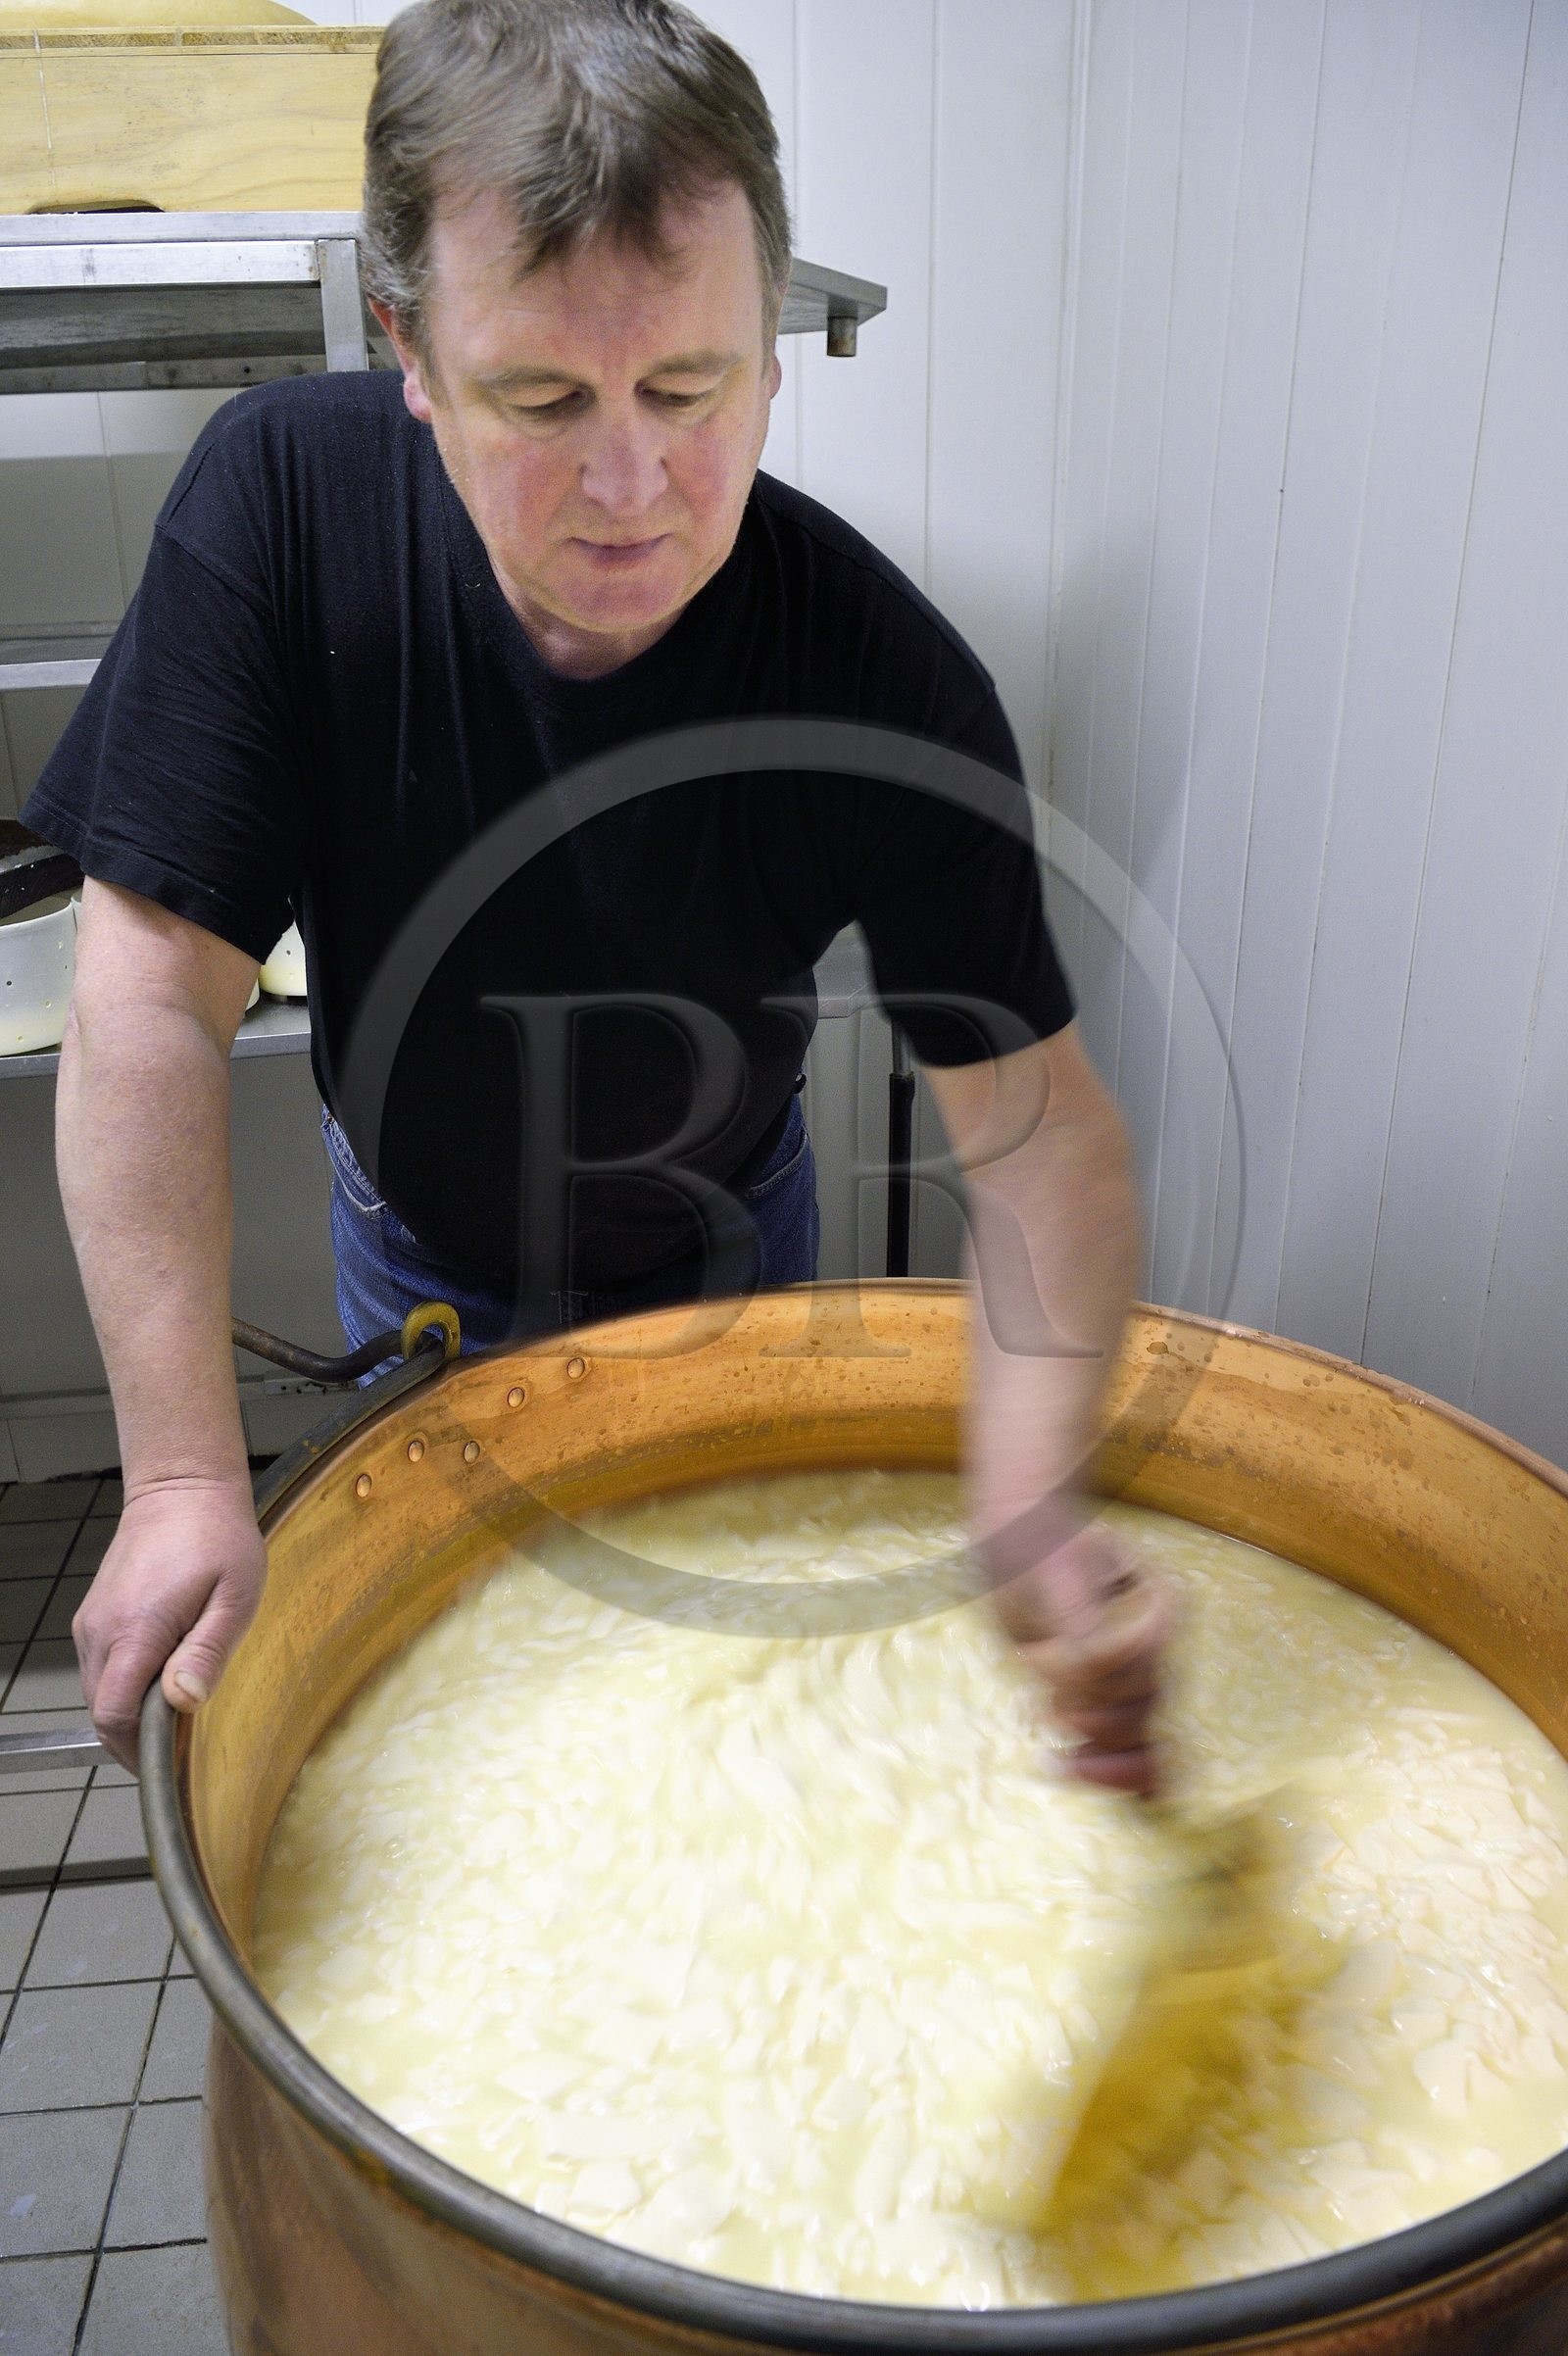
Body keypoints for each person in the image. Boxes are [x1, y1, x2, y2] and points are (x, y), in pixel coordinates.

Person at [24, 0, 1172, 1787]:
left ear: (772, 357)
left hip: (731, 1248)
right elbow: (150, 998)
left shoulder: (880, 679)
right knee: (469, 1745)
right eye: (545, 398)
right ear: (410, 351)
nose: (631, 485)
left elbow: (1041, 1144)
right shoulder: (282, 507)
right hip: (412, 1244)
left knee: (703, 1740)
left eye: (693, 389)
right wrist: (180, 1475)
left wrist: (1027, 1505)